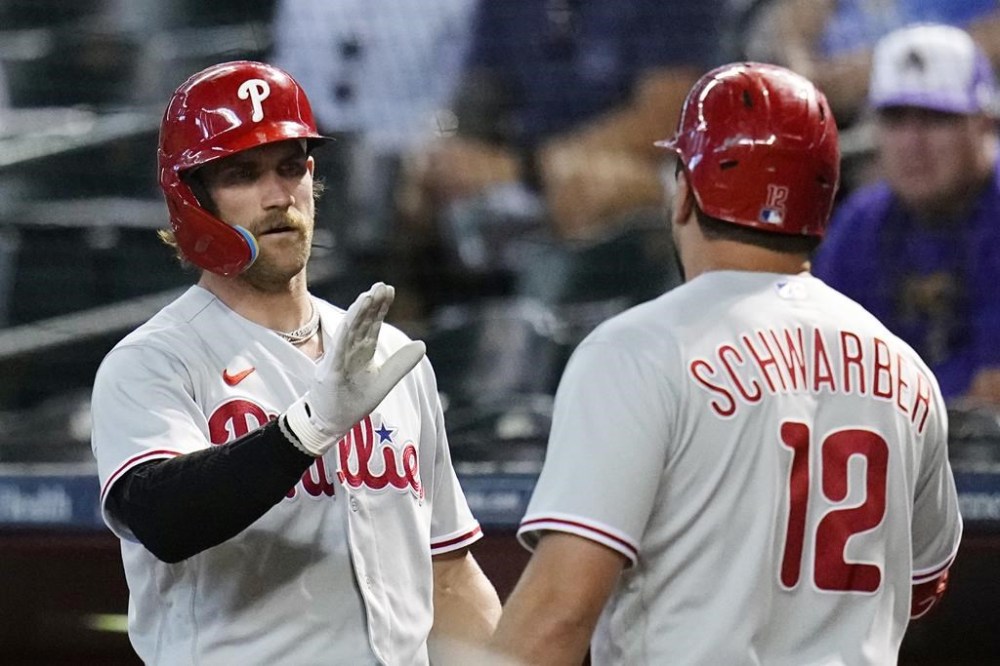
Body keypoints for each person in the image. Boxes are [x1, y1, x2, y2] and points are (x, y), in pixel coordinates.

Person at [489, 63, 962, 664]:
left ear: (686, 191)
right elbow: (924, 583)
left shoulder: (639, 349)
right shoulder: (906, 373)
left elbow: (556, 616)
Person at [89, 60, 501, 665]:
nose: (278, 195)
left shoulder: (386, 353)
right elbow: (163, 519)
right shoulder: (155, 361)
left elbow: (448, 574)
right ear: (193, 198)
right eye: (242, 173)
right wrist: (305, 429)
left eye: (290, 167)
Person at [394, 0, 722, 314]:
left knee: (593, 186)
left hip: (656, 174)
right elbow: (473, 107)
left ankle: (584, 346)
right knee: (414, 187)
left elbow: (668, 116)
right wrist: (444, 158)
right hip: (518, 183)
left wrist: (524, 169)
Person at [812, 23, 1000, 407]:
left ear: (984, 124)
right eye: (895, 120)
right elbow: (820, 374)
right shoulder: (860, 225)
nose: (912, 143)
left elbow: (994, 393)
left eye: (936, 118)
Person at [742, 0, 1000, 126]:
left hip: (942, 114)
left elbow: (970, 55)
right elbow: (793, 49)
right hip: (826, 118)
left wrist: (860, 75)